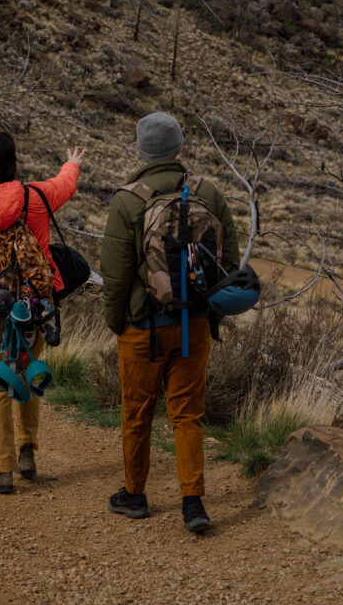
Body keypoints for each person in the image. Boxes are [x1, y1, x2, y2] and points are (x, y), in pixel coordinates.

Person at [100, 112, 239, 532]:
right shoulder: (208, 192)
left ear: (141, 149)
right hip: (194, 324)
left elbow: (116, 274)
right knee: (187, 414)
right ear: (178, 146)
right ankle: (193, 503)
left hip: (144, 327)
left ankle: (135, 494)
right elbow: (229, 263)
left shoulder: (127, 200)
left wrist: (116, 323)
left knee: (137, 412)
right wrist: (211, 313)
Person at [0, 132, 85, 494]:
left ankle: (3, 470)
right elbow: (65, 185)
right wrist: (72, 163)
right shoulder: (37, 197)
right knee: (27, 373)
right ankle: (27, 453)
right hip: (38, 305)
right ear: (12, 162)